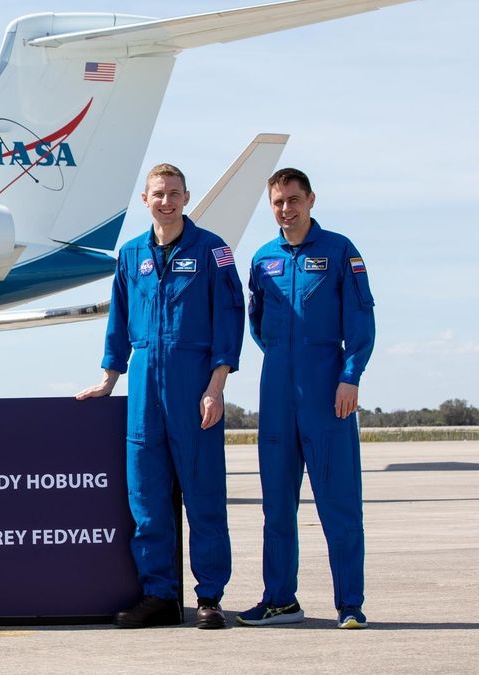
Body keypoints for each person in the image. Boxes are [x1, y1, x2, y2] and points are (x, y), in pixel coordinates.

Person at [77, 164, 244, 629]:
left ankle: (209, 597)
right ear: (144, 199)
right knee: (146, 501)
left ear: (186, 198)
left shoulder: (213, 251)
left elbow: (229, 321)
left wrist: (216, 387)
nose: (166, 201)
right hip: (144, 390)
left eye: (173, 193)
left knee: (204, 498)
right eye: (158, 194)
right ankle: (159, 596)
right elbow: (120, 323)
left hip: (195, 389)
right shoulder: (130, 255)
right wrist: (110, 377)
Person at [238, 168, 375, 630]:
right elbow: (257, 322)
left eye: (294, 200)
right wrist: (282, 358)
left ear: (311, 199)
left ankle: (350, 604)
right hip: (276, 389)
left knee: (339, 503)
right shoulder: (262, 258)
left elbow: (361, 321)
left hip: (326, 389)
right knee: (276, 505)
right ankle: (280, 600)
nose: (286, 209)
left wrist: (349, 376)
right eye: (277, 202)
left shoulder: (339, 251)